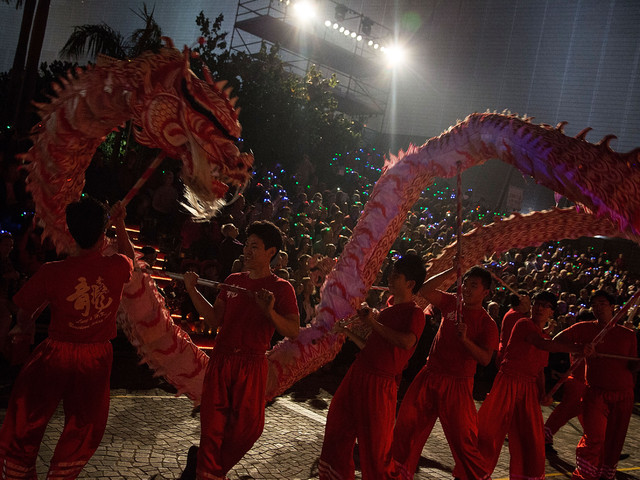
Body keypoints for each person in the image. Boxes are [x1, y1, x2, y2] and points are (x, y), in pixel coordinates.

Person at [0, 196, 135, 479]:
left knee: (27, 415)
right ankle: (61, 475)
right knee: (84, 424)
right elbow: (130, 258)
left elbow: (24, 311)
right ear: (103, 234)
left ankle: (17, 472)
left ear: (71, 232)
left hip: (55, 354)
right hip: (96, 357)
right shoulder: (116, 266)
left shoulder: (52, 272)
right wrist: (120, 224)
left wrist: (23, 327)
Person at [183, 220, 300, 480]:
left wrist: (269, 311)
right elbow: (214, 319)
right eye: (247, 245)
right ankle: (206, 472)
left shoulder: (281, 287)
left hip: (253, 363)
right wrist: (192, 289)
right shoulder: (233, 280)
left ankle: (204, 466)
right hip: (222, 360)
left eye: (254, 247)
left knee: (249, 428)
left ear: (271, 252)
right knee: (212, 426)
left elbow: (293, 330)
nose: (247, 251)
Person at [318, 254, 426, 480]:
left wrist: (373, 323)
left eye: (397, 275)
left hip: (380, 384)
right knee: (338, 430)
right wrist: (346, 331)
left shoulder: (415, 313)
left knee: (376, 449)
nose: (390, 277)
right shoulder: (386, 311)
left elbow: (406, 341)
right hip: (358, 374)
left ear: (410, 284)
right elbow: (370, 348)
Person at [392, 265, 498, 480]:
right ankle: (397, 474)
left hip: (457, 385)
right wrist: (452, 270)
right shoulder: (452, 302)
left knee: (463, 440)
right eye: (465, 284)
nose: (467, 289)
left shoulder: (488, 323)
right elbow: (424, 290)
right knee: (408, 427)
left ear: (485, 293)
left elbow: (486, 359)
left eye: (474, 286)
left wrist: (465, 340)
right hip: (430, 374)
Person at [477, 290, 585, 479]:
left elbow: (540, 370)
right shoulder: (523, 323)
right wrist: (577, 348)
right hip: (508, 383)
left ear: (552, 312)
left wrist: (543, 393)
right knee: (489, 433)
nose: (540, 308)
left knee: (531, 439)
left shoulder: (542, 334)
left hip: (528, 389)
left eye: (546, 306)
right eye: (538, 304)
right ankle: (474, 473)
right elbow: (543, 345)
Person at [553, 290, 637, 480]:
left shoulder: (628, 334)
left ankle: (605, 476)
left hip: (623, 396)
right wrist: (579, 348)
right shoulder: (585, 329)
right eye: (595, 305)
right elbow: (556, 341)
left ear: (613, 307)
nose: (598, 308)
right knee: (595, 438)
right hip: (595, 394)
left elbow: (633, 365)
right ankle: (584, 476)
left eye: (602, 304)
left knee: (613, 444)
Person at [544, 310, 595, 453]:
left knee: (589, 414)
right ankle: (544, 436)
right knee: (564, 411)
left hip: (586, 382)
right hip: (577, 381)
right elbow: (557, 342)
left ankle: (598, 442)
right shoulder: (580, 334)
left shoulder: (591, 336)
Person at [496, 290, 531, 365]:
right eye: (527, 303)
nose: (530, 306)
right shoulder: (516, 316)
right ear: (521, 304)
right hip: (509, 359)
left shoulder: (513, 313)